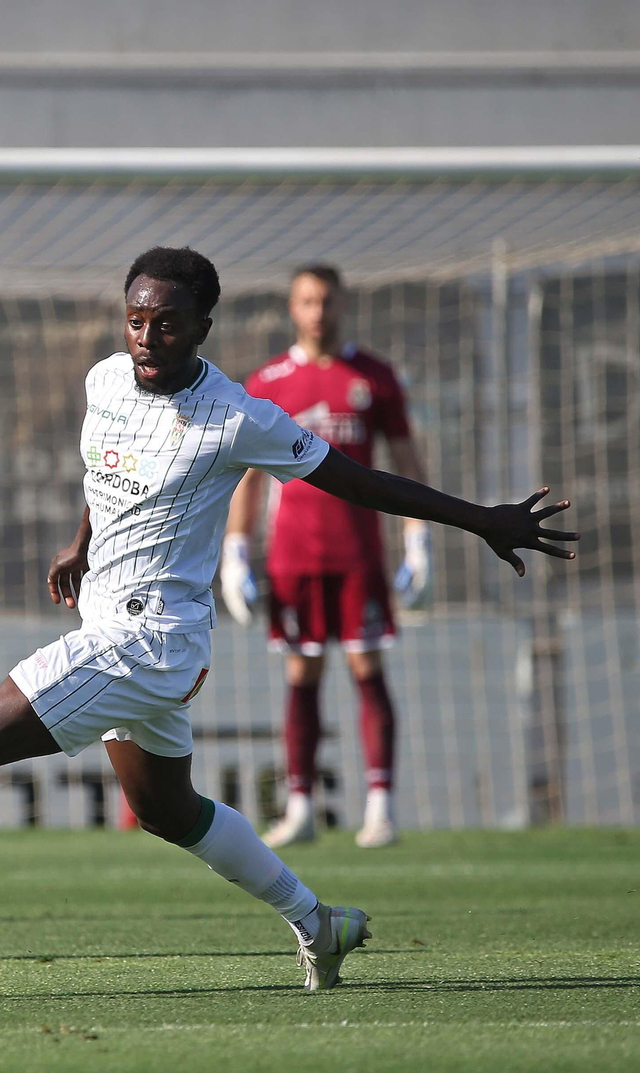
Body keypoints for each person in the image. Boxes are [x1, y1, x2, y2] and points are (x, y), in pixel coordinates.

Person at [0, 247, 577, 996]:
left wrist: (481, 520)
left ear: (202, 328)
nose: (147, 335)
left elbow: (357, 480)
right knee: (167, 811)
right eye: (136, 318)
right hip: (125, 631)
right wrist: (80, 541)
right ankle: (318, 920)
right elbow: (109, 467)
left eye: (166, 322)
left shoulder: (237, 417)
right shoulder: (105, 380)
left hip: (148, 638)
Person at [222, 265, 428, 849]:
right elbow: (248, 479)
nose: (318, 311)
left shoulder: (374, 377)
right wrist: (236, 554)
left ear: (342, 304)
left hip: (359, 554)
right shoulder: (269, 382)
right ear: (293, 307)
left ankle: (381, 807)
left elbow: (407, 463)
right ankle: (301, 806)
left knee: (368, 669)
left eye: (327, 300)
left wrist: (419, 539)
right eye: (307, 301)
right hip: (293, 557)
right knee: (301, 673)